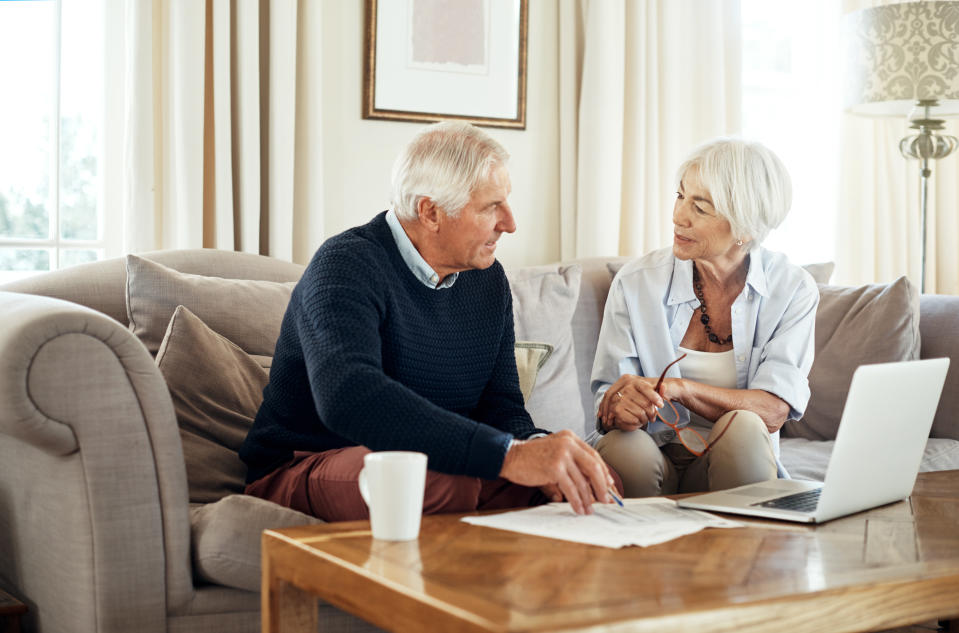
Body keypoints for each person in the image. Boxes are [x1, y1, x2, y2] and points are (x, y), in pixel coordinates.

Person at [240, 120, 619, 518]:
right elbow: (350, 399)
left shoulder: (488, 280)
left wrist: (540, 450)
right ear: (431, 212)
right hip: (307, 464)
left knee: (592, 481)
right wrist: (507, 456)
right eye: (492, 206)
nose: (510, 222)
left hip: (441, 467)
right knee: (438, 481)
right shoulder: (345, 265)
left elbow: (502, 406)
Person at [590, 138, 818, 497]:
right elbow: (608, 395)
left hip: (732, 457)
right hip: (653, 454)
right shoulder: (636, 283)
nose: (678, 216)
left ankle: (739, 547)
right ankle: (642, 545)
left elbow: (773, 409)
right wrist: (619, 406)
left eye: (700, 207)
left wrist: (681, 390)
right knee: (623, 444)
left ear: (745, 228)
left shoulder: (792, 290)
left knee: (743, 425)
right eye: (680, 197)